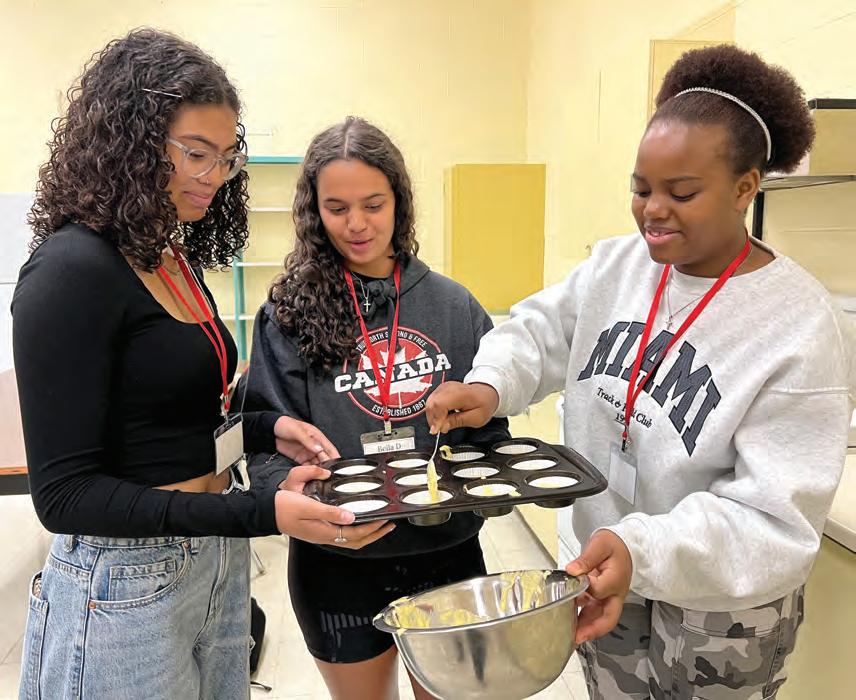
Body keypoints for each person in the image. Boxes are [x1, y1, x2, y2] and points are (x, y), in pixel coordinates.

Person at [426, 45, 856, 699]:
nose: (653, 209)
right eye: (640, 188)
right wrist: (491, 383)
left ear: (746, 188)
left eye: (682, 193)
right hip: (609, 569)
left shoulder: (795, 322)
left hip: (723, 607)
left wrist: (644, 550)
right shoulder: (617, 266)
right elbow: (541, 330)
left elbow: (773, 519)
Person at [13, 29, 386, 700]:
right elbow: (64, 496)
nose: (212, 176)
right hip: (122, 585)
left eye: (225, 157)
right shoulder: (70, 271)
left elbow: (177, 413)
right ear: (129, 144)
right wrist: (260, 512)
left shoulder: (170, 258)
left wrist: (267, 427)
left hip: (210, 556)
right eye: (194, 153)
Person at [240, 116, 510, 700]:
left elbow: (491, 431)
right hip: (336, 560)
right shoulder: (288, 314)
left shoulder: (453, 306)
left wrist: (489, 489)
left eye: (373, 204)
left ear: (399, 201)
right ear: (314, 211)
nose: (357, 224)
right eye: (337, 208)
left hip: (445, 551)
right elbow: (262, 441)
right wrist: (287, 488)